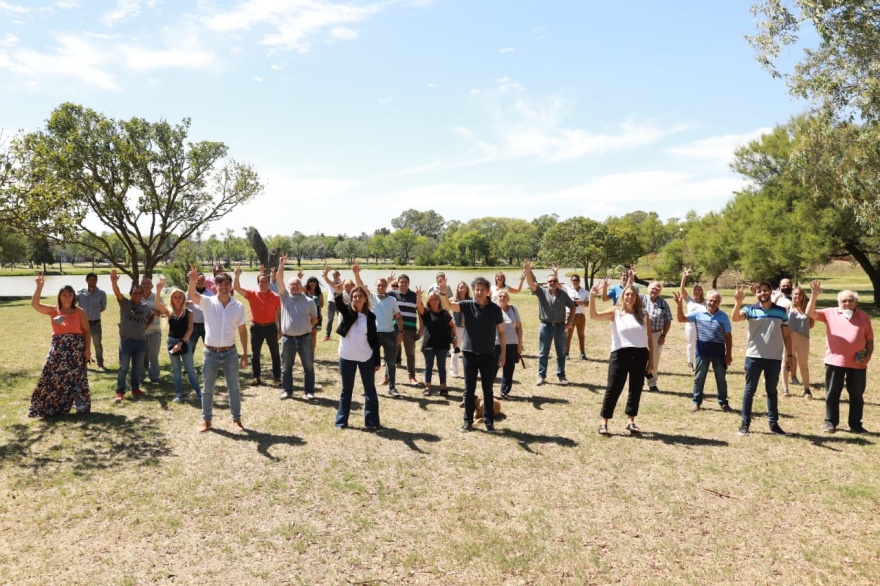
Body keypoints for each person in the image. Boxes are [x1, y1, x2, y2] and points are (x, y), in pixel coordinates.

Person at [439, 277, 505, 433]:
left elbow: (502, 333)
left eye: (482, 290)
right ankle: (467, 421)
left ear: (488, 291)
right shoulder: (467, 305)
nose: (479, 292)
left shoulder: (495, 309)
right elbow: (447, 305)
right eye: (477, 289)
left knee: (487, 389)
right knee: (469, 390)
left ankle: (489, 422)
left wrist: (503, 354)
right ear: (473, 290)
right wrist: (443, 292)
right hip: (469, 353)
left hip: (488, 354)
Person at [188, 264, 248, 432]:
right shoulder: (207, 302)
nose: (223, 287)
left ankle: (236, 419)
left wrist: (244, 353)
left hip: (230, 353)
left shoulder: (238, 306)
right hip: (210, 353)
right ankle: (206, 420)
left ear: (230, 286)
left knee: (234, 388)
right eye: (220, 284)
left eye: (226, 284)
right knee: (207, 388)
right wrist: (192, 281)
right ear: (216, 286)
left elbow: (242, 330)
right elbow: (192, 295)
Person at [806, 281, 873, 433]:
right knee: (832, 394)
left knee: (856, 395)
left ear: (856, 302)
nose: (847, 303)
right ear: (838, 302)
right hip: (835, 361)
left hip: (858, 363)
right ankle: (830, 423)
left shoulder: (864, 317)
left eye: (851, 300)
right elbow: (810, 313)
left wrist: (868, 356)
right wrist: (814, 296)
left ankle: (856, 425)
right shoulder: (830, 313)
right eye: (844, 300)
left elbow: (869, 339)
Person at [589, 283, 653, 435]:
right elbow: (594, 315)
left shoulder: (644, 315)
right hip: (620, 354)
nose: (629, 297)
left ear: (637, 297)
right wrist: (592, 296)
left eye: (632, 295)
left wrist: (652, 362)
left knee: (636, 388)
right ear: (622, 297)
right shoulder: (616, 312)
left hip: (640, 354)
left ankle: (631, 421)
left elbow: (650, 339)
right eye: (627, 294)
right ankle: (604, 422)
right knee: (613, 388)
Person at [732, 281, 792, 436]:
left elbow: (786, 335)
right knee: (749, 390)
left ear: (770, 292)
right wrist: (738, 303)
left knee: (772, 391)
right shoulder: (750, 309)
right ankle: (745, 423)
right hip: (753, 356)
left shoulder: (781, 311)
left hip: (774, 357)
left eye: (765, 290)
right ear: (756, 294)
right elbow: (735, 318)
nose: (762, 293)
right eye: (759, 291)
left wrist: (790, 355)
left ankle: (773, 424)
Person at [29, 275, 91, 417]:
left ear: (73, 297)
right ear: (60, 296)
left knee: (77, 378)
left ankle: (81, 406)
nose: (67, 298)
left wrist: (88, 350)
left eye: (70, 295)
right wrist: (39, 287)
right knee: (51, 376)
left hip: (76, 350)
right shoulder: (53, 310)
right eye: (64, 295)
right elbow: (35, 304)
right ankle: (51, 407)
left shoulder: (79, 312)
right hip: (58, 349)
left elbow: (87, 332)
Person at [330, 281, 381, 430]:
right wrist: (339, 294)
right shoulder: (347, 312)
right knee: (346, 389)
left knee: (369, 389)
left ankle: (371, 422)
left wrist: (377, 360)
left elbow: (374, 340)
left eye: (360, 296)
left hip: (366, 356)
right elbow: (339, 306)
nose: (357, 299)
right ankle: (341, 421)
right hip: (346, 356)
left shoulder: (370, 317)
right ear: (351, 298)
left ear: (365, 299)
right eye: (354, 296)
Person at [350, 261, 404, 398]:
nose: (380, 287)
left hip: (390, 335)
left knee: (391, 363)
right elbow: (360, 285)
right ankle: (369, 388)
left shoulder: (392, 299)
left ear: (386, 286)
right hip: (373, 335)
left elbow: (398, 317)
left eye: (383, 285)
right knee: (370, 362)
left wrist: (401, 333)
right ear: (375, 286)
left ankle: (392, 388)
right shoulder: (371, 297)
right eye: (378, 285)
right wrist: (356, 274)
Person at [674, 289, 732, 412]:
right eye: (710, 300)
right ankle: (696, 402)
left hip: (719, 353)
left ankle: (723, 402)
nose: (712, 302)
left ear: (719, 302)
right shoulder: (698, 313)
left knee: (721, 379)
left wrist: (729, 354)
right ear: (706, 300)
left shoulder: (723, 317)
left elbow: (728, 336)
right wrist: (679, 306)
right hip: (702, 352)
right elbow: (681, 319)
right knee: (699, 378)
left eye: (715, 301)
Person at [523, 259, 575, 386]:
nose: (552, 283)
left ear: (557, 282)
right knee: (543, 353)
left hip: (560, 327)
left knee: (561, 353)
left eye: (554, 281)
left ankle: (561, 375)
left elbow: (573, 307)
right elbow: (531, 283)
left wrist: (569, 323)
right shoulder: (542, 292)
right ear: (547, 283)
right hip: (545, 327)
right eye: (550, 281)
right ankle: (541, 376)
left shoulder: (563, 294)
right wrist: (528, 271)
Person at [234, 265, 281, 387]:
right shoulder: (251, 294)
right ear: (258, 283)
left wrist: (280, 329)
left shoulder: (276, 297)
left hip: (271, 327)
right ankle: (256, 377)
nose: (263, 284)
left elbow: (279, 314)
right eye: (261, 282)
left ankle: (277, 378)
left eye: (266, 281)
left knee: (275, 354)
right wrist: (237, 276)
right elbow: (237, 288)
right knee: (255, 354)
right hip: (256, 328)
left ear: (269, 282)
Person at [279, 255, 318, 400]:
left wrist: (304, 328)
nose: (294, 287)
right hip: (288, 339)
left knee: (308, 367)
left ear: (301, 286)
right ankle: (287, 391)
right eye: (291, 285)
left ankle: (309, 391)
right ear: (288, 287)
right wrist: (281, 265)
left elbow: (314, 319)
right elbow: (279, 279)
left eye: (296, 284)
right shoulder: (285, 298)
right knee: (286, 367)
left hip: (305, 339)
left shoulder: (309, 301)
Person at [110, 270, 153, 402]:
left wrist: (145, 326)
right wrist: (114, 282)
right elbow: (117, 293)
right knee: (123, 367)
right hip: (126, 341)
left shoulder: (145, 307)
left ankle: (135, 389)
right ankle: (120, 391)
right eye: (135, 293)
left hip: (140, 341)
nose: (137, 295)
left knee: (137, 368)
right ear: (131, 294)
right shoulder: (125, 304)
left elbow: (151, 316)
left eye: (140, 293)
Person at [154, 287, 201, 402]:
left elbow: (190, 330)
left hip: (184, 342)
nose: (178, 299)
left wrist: (181, 343)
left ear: (183, 298)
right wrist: (158, 290)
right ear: (172, 299)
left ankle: (199, 393)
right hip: (171, 342)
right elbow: (158, 304)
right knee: (176, 370)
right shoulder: (169, 312)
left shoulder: (189, 313)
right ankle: (179, 394)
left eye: (180, 297)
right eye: (175, 297)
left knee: (190, 369)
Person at [415, 287, 455, 396]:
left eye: (436, 299)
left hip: (442, 344)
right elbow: (419, 307)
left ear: (439, 301)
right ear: (428, 301)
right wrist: (418, 296)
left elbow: (452, 325)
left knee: (442, 366)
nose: (434, 301)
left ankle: (443, 388)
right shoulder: (426, 312)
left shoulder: (445, 313)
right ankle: (427, 387)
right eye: (432, 299)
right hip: (429, 344)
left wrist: (454, 338)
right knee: (428, 366)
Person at [783, 286, 814, 398]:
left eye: (800, 294)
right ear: (792, 295)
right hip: (789, 339)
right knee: (786, 362)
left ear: (803, 296)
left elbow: (811, 324)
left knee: (803, 364)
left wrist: (801, 328)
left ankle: (807, 389)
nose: (797, 296)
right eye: (795, 294)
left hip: (803, 339)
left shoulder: (807, 309)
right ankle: (785, 389)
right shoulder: (787, 308)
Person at [642, 281, 672, 392]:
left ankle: (652, 383)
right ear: (648, 288)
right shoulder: (641, 299)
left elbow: (668, 321)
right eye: (653, 288)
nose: (655, 290)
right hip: (641, 333)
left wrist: (663, 335)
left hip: (656, 334)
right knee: (640, 358)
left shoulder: (663, 303)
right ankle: (638, 382)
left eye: (657, 289)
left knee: (654, 358)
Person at [390, 274, 420, 385]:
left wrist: (421, 328)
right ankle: (388, 376)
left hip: (410, 329)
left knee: (410, 354)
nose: (403, 284)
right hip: (395, 329)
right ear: (398, 283)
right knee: (392, 353)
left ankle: (411, 376)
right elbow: (379, 295)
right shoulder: (392, 294)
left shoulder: (414, 296)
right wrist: (388, 281)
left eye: (405, 282)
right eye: (401, 282)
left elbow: (420, 312)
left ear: (408, 283)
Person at [495, 290, 523, 399]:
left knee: (509, 368)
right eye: (500, 296)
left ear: (508, 298)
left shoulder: (513, 309)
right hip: (497, 343)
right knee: (494, 367)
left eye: (505, 296)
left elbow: (519, 328)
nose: (502, 298)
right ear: (497, 298)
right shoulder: (494, 310)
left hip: (512, 343)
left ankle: (504, 391)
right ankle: (488, 390)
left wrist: (519, 344)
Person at [77, 272, 107, 370]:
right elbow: (72, 304)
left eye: (94, 280)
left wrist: (94, 313)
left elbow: (103, 307)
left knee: (97, 344)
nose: (92, 282)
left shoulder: (102, 293)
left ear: (96, 281)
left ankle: (100, 364)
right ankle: (84, 363)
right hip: (83, 323)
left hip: (96, 323)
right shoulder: (80, 293)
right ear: (87, 281)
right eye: (90, 280)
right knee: (82, 344)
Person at [679, 268, 706, 372]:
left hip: (703, 325)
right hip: (690, 325)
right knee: (691, 343)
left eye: (699, 289)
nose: (698, 291)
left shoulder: (706, 301)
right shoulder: (690, 300)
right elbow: (682, 290)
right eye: (696, 289)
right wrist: (684, 277)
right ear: (693, 291)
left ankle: (701, 361)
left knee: (702, 343)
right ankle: (690, 363)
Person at [141, 277, 164, 384]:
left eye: (148, 284)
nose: (146, 285)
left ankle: (154, 377)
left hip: (155, 332)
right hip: (139, 333)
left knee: (153, 356)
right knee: (139, 356)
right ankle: (140, 377)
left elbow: (163, 313)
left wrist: (151, 311)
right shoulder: (136, 296)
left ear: (151, 286)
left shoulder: (157, 298)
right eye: (144, 283)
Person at [564, 273, 589, 361]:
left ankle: (582, 353)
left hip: (581, 316)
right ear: (571, 281)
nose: (575, 282)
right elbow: (558, 285)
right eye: (573, 280)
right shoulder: (567, 289)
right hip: (570, 315)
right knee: (568, 335)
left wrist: (581, 302)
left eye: (577, 280)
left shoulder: (585, 292)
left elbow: (588, 304)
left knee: (581, 335)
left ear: (579, 281)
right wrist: (555, 272)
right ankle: (566, 353)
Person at [449, 281, 470, 378]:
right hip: (456, 328)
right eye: (460, 287)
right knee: (455, 350)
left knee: (468, 351)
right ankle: (454, 371)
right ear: (457, 289)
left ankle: (468, 370)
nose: (462, 289)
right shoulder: (454, 300)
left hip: (468, 328)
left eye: (464, 287)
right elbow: (445, 305)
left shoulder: (470, 301)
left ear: (467, 289)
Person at [188, 273, 213, 356]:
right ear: (195, 281)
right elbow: (181, 304)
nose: (200, 281)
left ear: (205, 281)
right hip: (193, 326)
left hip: (207, 325)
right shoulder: (189, 293)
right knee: (190, 348)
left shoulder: (210, 294)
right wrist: (191, 301)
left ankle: (211, 367)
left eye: (202, 280)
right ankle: (189, 368)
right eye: (198, 280)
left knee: (210, 347)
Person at [305, 276, 324, 353]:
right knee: (306, 335)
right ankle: (306, 352)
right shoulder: (305, 292)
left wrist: (316, 302)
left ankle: (312, 353)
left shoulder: (319, 293)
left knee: (313, 335)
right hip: (306, 316)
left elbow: (322, 305)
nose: (312, 283)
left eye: (314, 281)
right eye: (310, 281)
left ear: (317, 283)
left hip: (317, 316)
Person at [323, 269, 342, 341]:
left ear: (339, 275)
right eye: (334, 274)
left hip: (339, 303)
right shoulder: (330, 281)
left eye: (337, 274)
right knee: (330, 320)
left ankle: (342, 335)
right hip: (331, 303)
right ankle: (327, 335)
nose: (335, 275)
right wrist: (326, 273)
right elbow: (326, 279)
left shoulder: (342, 282)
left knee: (341, 319)